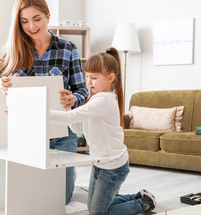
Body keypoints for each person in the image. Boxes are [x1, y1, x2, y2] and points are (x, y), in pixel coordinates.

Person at [0, 0, 88, 204]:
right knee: (30, 195)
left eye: (37, 19)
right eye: (24, 21)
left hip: (61, 135)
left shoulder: (68, 48)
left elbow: (82, 89)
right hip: (27, 135)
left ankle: (68, 175)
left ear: (48, 16)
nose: (31, 26)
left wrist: (73, 99)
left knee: (59, 199)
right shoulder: (15, 50)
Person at [50, 47, 156, 215]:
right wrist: (67, 109)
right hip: (100, 164)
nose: (89, 81)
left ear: (110, 78)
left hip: (113, 167)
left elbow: (73, 118)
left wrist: (39, 111)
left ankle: (143, 204)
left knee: (98, 213)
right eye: (87, 77)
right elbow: (77, 126)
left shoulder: (104, 101)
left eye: (94, 77)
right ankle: (137, 196)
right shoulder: (94, 99)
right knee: (94, 208)